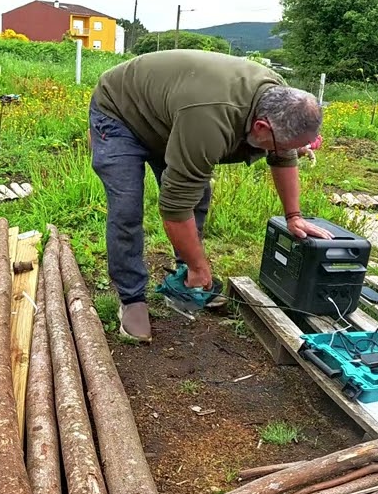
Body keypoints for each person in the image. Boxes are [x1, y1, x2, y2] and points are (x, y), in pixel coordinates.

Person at [90, 49, 331, 342]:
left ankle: (188, 279)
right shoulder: (210, 118)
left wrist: (294, 216)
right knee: (127, 208)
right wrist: (200, 265)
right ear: (260, 127)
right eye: (281, 145)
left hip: (174, 115)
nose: (284, 151)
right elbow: (175, 207)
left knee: (198, 194)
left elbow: (283, 155)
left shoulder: (281, 100)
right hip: (121, 114)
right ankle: (132, 298)